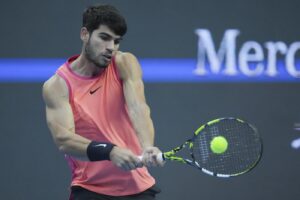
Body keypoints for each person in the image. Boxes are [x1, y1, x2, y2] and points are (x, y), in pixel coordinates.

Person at [42, 4, 163, 200]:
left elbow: (138, 108)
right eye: (104, 38)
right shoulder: (57, 86)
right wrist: (110, 151)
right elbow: (64, 140)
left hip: (138, 188)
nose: (111, 48)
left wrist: (147, 145)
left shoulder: (124, 62)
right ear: (84, 34)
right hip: (90, 189)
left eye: (116, 41)